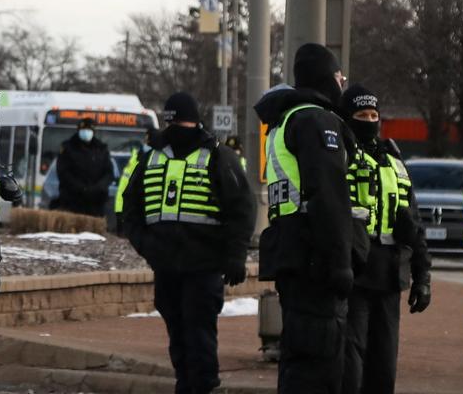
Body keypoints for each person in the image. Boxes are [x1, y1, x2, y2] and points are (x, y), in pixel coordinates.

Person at [122, 92, 256, 394]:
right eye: (174, 122)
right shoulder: (151, 157)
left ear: (196, 121)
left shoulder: (218, 156)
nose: (178, 127)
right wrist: (148, 246)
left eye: (183, 121)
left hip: (204, 267)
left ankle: (204, 388)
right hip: (167, 267)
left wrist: (235, 257)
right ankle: (186, 387)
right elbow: (130, 209)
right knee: (179, 340)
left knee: (200, 339)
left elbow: (242, 209)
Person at [253, 43, 354, 394]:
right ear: (328, 79)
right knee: (319, 365)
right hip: (317, 258)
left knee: (298, 361)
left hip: (294, 252)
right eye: (340, 76)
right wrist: (342, 261)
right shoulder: (316, 120)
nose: (343, 83)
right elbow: (328, 195)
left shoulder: (284, 121)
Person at [339, 84, 432, 394]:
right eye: (361, 114)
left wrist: (422, 277)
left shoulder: (394, 163)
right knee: (351, 360)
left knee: (383, 363)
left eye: (374, 114)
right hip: (352, 273)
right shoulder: (339, 157)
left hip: (389, 275)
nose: (369, 120)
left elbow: (413, 223)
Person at [53, 117, 113, 217]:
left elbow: (109, 173)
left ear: (93, 132)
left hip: (96, 202)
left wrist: (98, 187)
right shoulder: (68, 148)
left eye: (89, 130)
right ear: (78, 131)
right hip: (72, 200)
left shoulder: (101, 148)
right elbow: (64, 173)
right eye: (83, 130)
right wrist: (82, 188)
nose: (86, 133)